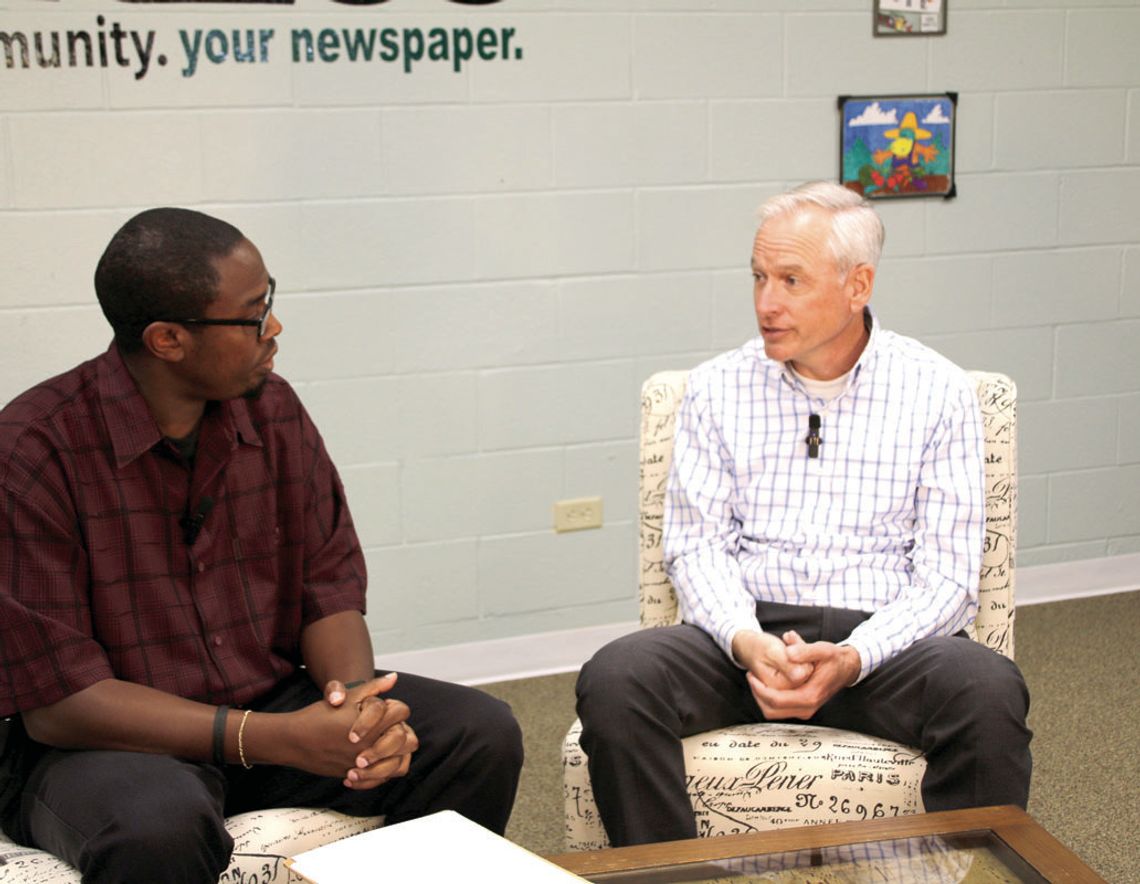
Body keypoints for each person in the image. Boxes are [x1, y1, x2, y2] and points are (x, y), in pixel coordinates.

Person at [0, 208, 523, 883]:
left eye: (268, 300)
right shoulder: (33, 450)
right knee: (157, 826)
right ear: (167, 340)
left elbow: (327, 588)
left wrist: (358, 710)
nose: (273, 329)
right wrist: (274, 739)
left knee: (478, 735)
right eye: (252, 315)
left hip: (267, 703)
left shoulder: (272, 411)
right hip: (106, 746)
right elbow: (60, 705)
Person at [576, 181, 1031, 846]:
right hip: (745, 641)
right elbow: (696, 549)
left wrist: (853, 656)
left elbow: (948, 579)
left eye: (791, 280)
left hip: (883, 645)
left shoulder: (938, 391)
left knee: (989, 692)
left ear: (858, 284)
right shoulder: (714, 389)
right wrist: (748, 641)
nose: (766, 303)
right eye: (759, 277)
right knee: (616, 679)